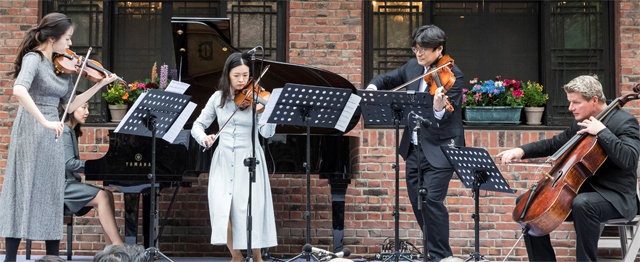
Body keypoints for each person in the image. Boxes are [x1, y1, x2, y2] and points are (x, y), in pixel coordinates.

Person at [0, 12, 118, 261]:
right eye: (67, 38)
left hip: (53, 131)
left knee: (52, 191)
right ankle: (10, 257)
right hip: (32, 130)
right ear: (52, 38)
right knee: (23, 189)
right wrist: (44, 120)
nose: (71, 45)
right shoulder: (34, 59)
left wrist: (99, 85)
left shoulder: (62, 67)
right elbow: (19, 89)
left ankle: (53, 256)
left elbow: (71, 104)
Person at [497, 75, 640, 261]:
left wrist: (602, 132)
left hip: (615, 197)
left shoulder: (625, 122)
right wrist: (521, 151)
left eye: (576, 102)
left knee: (583, 204)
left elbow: (629, 159)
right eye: (570, 102)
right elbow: (554, 143)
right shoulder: (581, 121)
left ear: (594, 100)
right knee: (526, 203)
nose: (570, 107)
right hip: (581, 193)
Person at [366, 24, 465, 261]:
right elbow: (385, 78)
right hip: (413, 150)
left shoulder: (454, 75)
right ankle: (435, 253)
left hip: (441, 150)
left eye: (424, 50)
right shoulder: (412, 67)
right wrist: (372, 87)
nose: (418, 54)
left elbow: (446, 117)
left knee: (431, 200)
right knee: (418, 203)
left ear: (439, 49)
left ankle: (440, 256)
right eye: (416, 48)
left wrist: (438, 107)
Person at [191, 52, 277, 262]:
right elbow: (197, 125)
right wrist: (204, 138)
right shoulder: (217, 98)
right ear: (227, 74)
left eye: (246, 76)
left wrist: (268, 112)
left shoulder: (259, 98)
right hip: (223, 160)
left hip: (250, 159)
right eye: (236, 75)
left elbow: (267, 134)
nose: (241, 80)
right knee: (221, 207)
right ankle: (236, 256)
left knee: (250, 208)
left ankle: (257, 257)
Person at [61, 101, 123, 245]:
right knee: (102, 196)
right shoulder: (64, 130)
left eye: (88, 108)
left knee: (107, 194)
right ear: (71, 109)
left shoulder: (71, 131)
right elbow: (69, 164)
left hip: (70, 184)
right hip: (62, 187)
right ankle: (118, 246)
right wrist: (96, 166)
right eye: (83, 107)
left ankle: (110, 249)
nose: (87, 112)